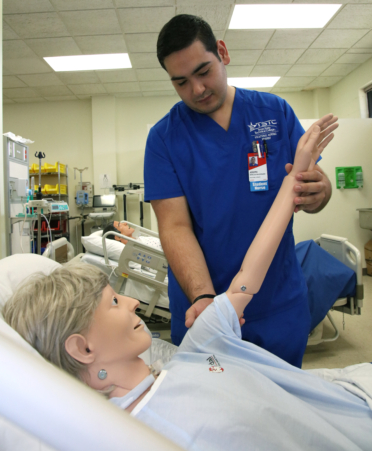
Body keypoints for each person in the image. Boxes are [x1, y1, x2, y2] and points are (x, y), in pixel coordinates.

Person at [4, 125, 372, 450]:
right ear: (82, 347)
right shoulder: (135, 436)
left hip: (348, 401)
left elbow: (251, 270)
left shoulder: (199, 350)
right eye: (113, 302)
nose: (132, 302)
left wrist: (295, 177)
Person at [144, 14, 337, 365]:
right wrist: (203, 298)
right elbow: (174, 226)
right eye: (181, 82)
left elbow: (311, 182)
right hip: (205, 308)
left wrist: (320, 193)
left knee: (280, 410)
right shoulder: (164, 138)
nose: (197, 90)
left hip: (276, 302)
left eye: (203, 72)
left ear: (222, 52)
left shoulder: (274, 113)